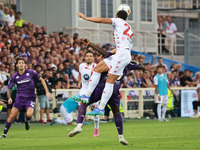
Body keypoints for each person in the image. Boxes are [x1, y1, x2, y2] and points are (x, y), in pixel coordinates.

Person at [75, 8, 133, 115]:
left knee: (109, 81)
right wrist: (110, 53)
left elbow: (101, 20)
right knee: (97, 69)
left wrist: (86, 18)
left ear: (117, 16)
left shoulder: (118, 21)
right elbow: (126, 47)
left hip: (121, 55)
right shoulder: (129, 28)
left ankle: (101, 107)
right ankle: (86, 95)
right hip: (122, 54)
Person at [69, 61, 142, 145]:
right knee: (116, 113)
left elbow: (102, 61)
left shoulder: (108, 61)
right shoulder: (125, 64)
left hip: (102, 88)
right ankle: (121, 137)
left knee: (84, 103)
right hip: (114, 90)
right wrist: (133, 62)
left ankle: (79, 126)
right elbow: (140, 66)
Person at [0, 57, 51, 138]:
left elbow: (42, 80)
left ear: (25, 65)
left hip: (30, 98)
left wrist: (47, 91)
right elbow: (8, 90)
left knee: (29, 115)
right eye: (19, 63)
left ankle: (26, 120)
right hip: (19, 99)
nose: (21, 64)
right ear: (17, 65)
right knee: (11, 116)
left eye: (22, 63)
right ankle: (4, 134)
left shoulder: (31, 73)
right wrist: (9, 98)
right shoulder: (14, 76)